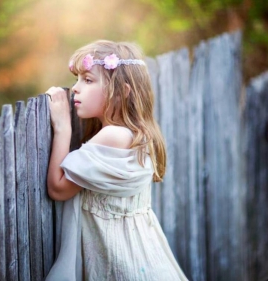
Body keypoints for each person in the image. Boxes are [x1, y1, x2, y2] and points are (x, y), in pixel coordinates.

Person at [44, 40, 188, 281]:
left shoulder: (113, 135)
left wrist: (62, 129)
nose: (75, 88)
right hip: (143, 257)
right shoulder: (135, 134)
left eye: (88, 80)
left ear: (121, 92)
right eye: (77, 79)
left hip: (123, 265)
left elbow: (58, 189)